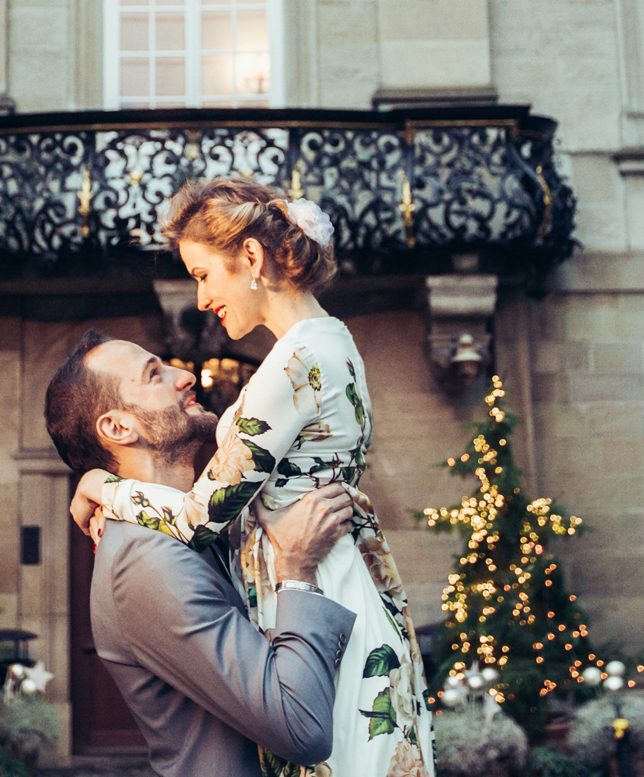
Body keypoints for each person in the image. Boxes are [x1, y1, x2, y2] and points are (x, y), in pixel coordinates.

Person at [68, 177, 434, 777]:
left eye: (204, 274)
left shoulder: (289, 367)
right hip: (343, 581)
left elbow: (196, 518)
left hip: (318, 588)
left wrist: (101, 486)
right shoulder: (330, 343)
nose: (201, 295)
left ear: (252, 259)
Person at [45, 329, 359, 777]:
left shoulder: (185, 528)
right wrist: (296, 570)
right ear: (118, 427)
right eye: (154, 374)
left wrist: (102, 486)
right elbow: (300, 727)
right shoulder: (145, 561)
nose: (185, 375)